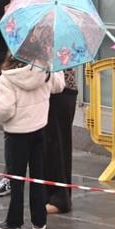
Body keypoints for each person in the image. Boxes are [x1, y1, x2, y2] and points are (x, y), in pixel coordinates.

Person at [0, 58, 65, 229]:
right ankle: (39, 221)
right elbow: (59, 86)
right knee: (38, 176)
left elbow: (4, 110)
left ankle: (14, 222)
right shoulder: (45, 71)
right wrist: (54, 64)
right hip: (39, 129)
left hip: (16, 134)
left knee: (16, 180)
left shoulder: (6, 79)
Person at [0, 0, 38, 198]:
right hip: (8, 71)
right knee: (11, 127)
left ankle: (39, 179)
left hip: (37, 68)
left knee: (39, 127)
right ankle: (10, 176)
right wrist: (6, 14)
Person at [44, 67, 78, 215]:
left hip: (61, 92)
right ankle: (50, 194)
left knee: (58, 146)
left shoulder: (59, 46)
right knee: (48, 147)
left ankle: (60, 199)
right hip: (53, 91)